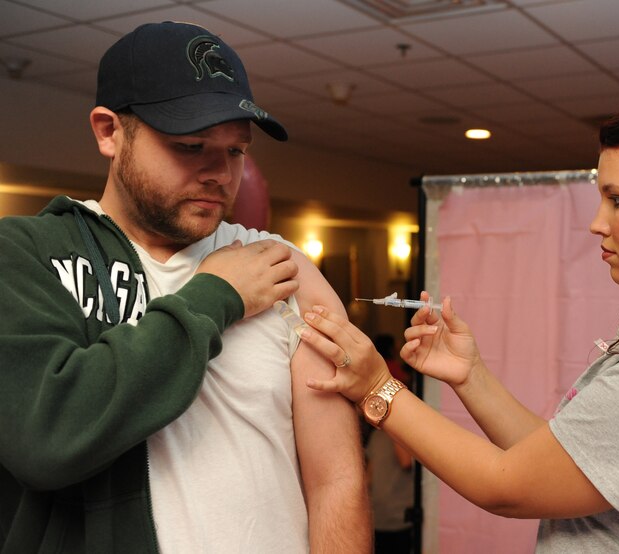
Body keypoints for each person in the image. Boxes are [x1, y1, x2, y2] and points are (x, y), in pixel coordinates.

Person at [297, 90, 619, 552]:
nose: (597, 223)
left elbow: (507, 487)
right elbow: (567, 462)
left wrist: (378, 389)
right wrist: (472, 377)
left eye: (617, 199)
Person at [0, 21, 370, 553]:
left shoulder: (280, 266)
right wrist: (214, 295)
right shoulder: (28, 254)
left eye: (237, 151)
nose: (219, 173)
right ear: (109, 131)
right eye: (190, 145)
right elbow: (45, 438)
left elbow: (337, 480)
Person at [366, 335, 414, 554]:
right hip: (379, 519)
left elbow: (405, 462)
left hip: (398, 519)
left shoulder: (401, 434)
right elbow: (369, 475)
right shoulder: (378, 436)